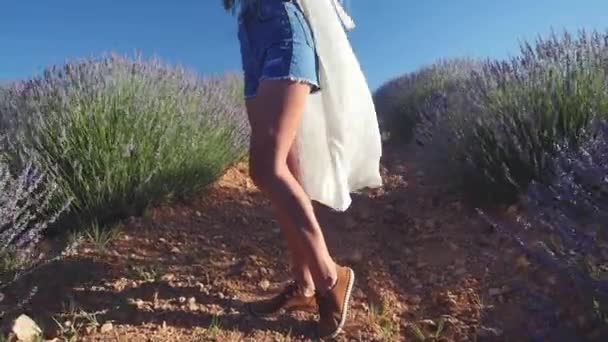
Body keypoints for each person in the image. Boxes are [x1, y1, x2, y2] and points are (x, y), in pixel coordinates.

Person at [224, 0, 382, 339]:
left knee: (265, 168)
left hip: (282, 27)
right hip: (251, 34)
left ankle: (330, 276)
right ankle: (305, 284)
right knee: (287, 169)